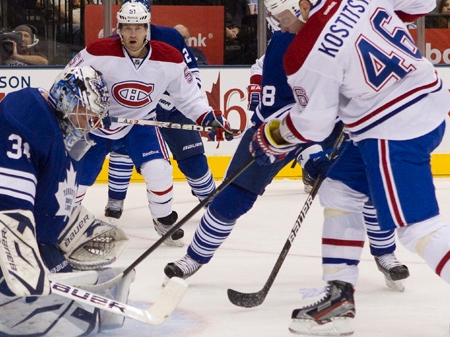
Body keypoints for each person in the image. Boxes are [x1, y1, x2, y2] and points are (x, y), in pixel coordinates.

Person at [248, 0, 450, 335]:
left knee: (417, 228)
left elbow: (313, 125)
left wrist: (272, 136)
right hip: (426, 102)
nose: (279, 27)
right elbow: (422, 4)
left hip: (393, 130)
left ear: (299, 6)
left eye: (280, 17)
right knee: (339, 189)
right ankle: (339, 297)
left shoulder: (303, 52)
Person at [163, 9, 409, 293]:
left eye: (284, 17)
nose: (281, 24)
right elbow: (280, 114)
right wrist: (310, 155)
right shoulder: (284, 44)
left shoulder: (347, 34)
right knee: (235, 195)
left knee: (367, 185)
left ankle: (384, 253)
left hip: (337, 126)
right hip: (277, 126)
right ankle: (193, 257)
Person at [0, 65, 136, 335]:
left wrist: (73, 228)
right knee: (22, 293)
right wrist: (8, 235)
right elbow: (5, 185)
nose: (89, 123)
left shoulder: (66, 139)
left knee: (61, 289)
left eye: (94, 116)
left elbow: (49, 202)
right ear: (67, 98)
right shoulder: (30, 108)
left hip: (21, 228)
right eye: (85, 112)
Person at [65, 0, 234, 247]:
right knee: (77, 178)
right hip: (95, 126)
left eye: (138, 28)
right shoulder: (97, 51)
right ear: (119, 28)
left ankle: (163, 218)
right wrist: (81, 108)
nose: (133, 34)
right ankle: (64, 220)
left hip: (140, 124)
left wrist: (208, 118)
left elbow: (188, 97)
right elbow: (67, 82)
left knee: (158, 169)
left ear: (147, 29)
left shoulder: (170, 58)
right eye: (127, 28)